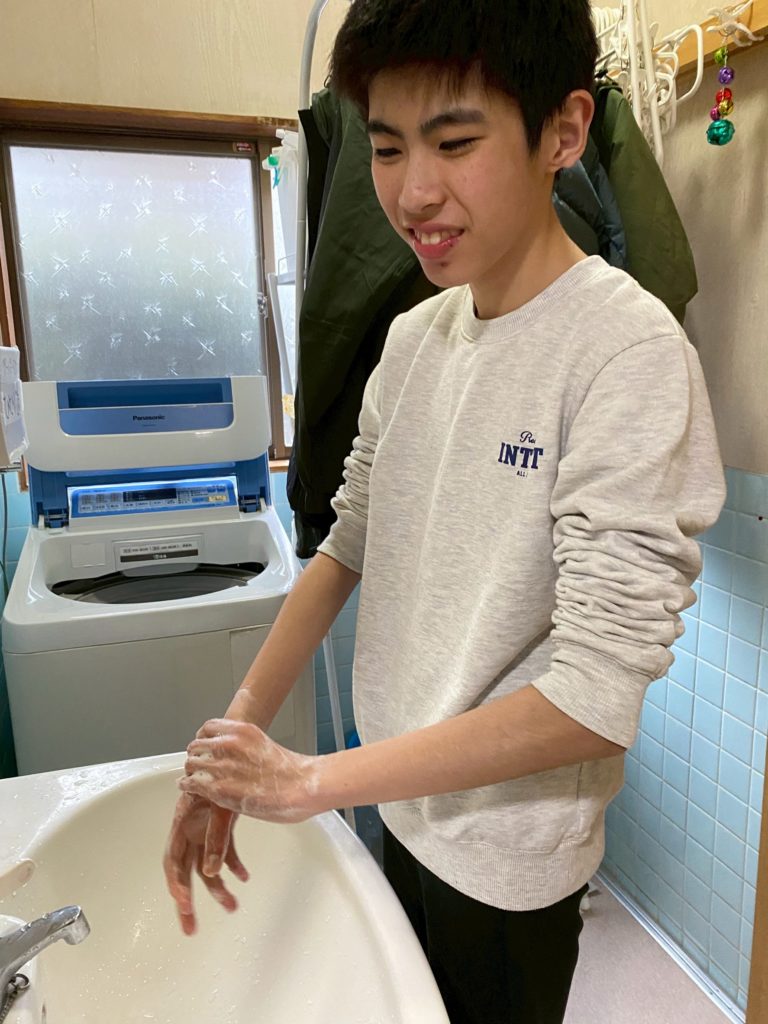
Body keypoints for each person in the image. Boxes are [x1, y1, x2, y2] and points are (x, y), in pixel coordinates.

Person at [164, 2, 726, 1021]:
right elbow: (347, 542)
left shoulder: (627, 353)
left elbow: (592, 696)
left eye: (455, 142)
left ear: (564, 131)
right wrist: (236, 735)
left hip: (509, 854)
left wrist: (309, 781)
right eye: (387, 149)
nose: (413, 192)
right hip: (400, 799)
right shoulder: (415, 337)